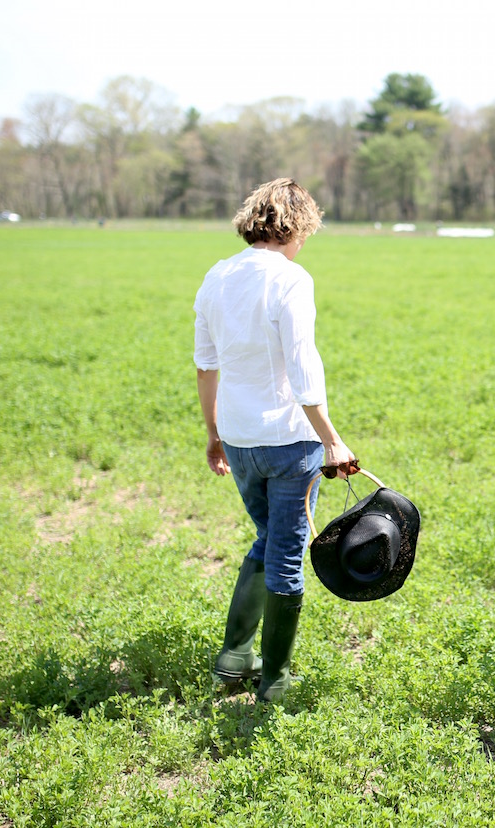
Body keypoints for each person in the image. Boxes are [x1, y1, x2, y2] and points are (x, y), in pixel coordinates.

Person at [194, 178, 357, 702]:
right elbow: (303, 364)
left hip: (240, 439)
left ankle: (232, 659)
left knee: (268, 541)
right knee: (285, 553)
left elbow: (205, 365)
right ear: (297, 226)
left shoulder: (216, 276)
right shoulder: (291, 279)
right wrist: (332, 440)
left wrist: (214, 434)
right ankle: (275, 681)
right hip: (291, 441)